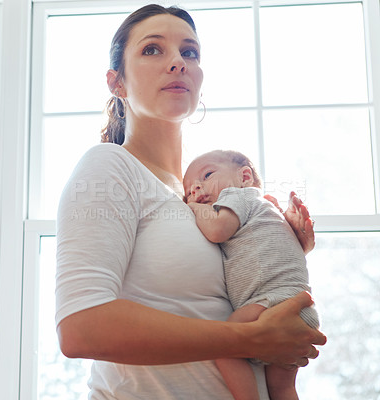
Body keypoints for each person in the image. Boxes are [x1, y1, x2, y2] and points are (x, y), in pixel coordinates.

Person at [55, 4, 326, 400]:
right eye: (152, 50)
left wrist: (288, 242)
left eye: (190, 52)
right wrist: (247, 339)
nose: (177, 62)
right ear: (117, 83)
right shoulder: (110, 166)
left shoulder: (198, 195)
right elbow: (81, 327)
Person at [183, 149, 320, 400]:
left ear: (245, 176)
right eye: (189, 189)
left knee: (224, 345)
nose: (195, 189)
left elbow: (217, 230)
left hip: (275, 301)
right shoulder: (267, 211)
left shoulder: (241, 197)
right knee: (282, 389)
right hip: (297, 307)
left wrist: (192, 207)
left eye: (207, 175)